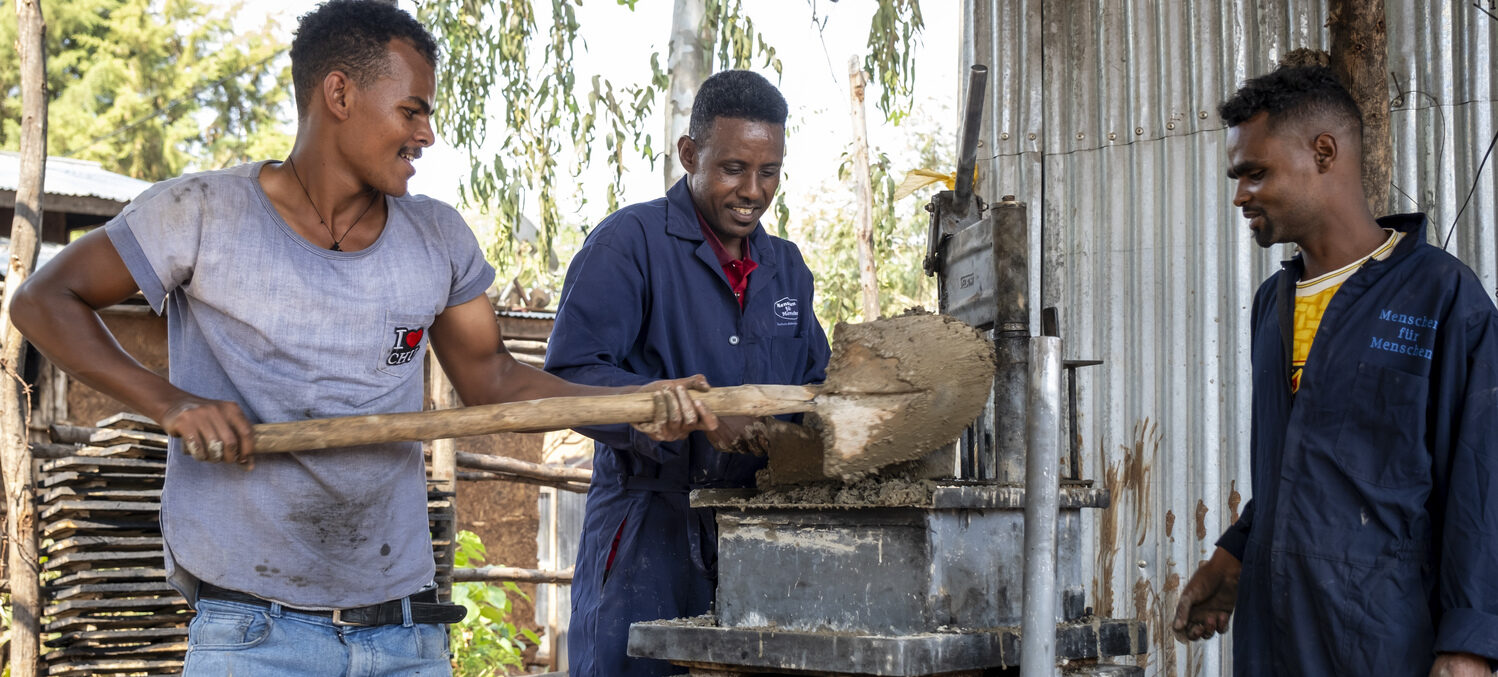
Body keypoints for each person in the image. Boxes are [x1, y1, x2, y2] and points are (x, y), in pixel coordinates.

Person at [9, 1, 716, 674]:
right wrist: (169, 402)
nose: (427, 134)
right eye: (412, 110)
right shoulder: (200, 213)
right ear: (339, 94)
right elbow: (43, 300)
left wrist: (635, 399)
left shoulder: (437, 238)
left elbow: (493, 380)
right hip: (253, 631)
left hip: (405, 632)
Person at [1171, 65, 1498, 676]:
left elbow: (1481, 484)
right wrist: (1233, 555)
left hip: (1382, 641)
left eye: (1255, 172)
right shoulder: (1273, 304)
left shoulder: (1441, 296)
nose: (1240, 195)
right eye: (1237, 177)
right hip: (1275, 642)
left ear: (1324, 152)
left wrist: (1469, 645)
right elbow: (1298, 468)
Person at [545, 69, 832, 677]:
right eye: (733, 169)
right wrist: (661, 406)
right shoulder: (631, 242)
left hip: (754, 531)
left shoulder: (787, 270)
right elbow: (569, 376)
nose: (753, 190)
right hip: (650, 524)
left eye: (769, 171)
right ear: (689, 155)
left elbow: (817, 387)